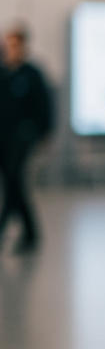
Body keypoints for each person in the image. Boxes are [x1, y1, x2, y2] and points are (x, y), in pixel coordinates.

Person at [0, 26, 52, 253]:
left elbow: (45, 107)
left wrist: (43, 133)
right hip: (4, 138)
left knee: (13, 181)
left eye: (14, 45)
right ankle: (31, 232)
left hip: (23, 139)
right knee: (14, 186)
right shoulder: (3, 73)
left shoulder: (32, 74)